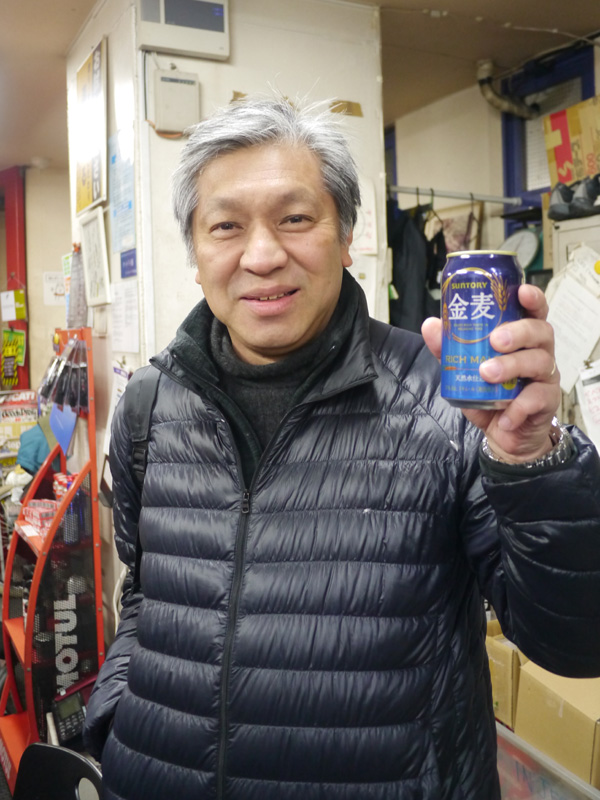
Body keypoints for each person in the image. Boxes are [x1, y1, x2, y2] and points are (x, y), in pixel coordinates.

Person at [83, 96, 600, 800]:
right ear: (196, 254)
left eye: (296, 219)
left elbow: (575, 642)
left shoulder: (449, 404)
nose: (262, 255)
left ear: (346, 235)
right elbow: (146, 591)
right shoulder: (148, 404)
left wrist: (533, 457)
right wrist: (114, 716)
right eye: (226, 226)